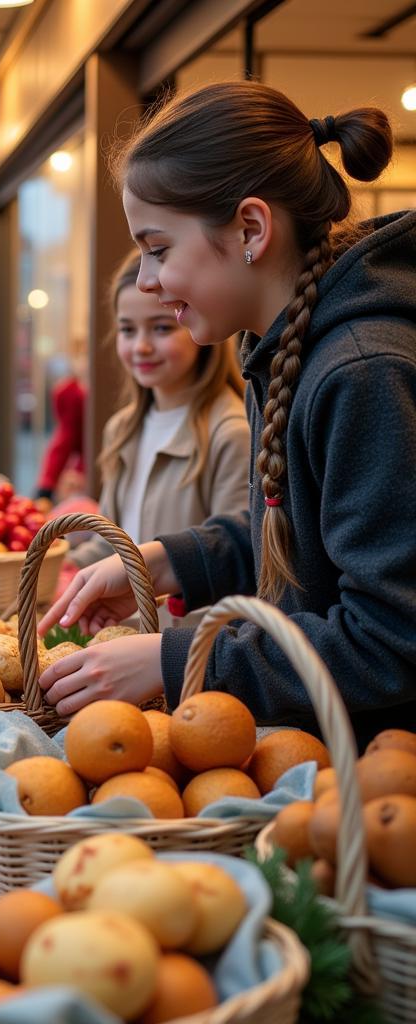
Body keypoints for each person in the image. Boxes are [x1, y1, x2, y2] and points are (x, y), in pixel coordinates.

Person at [38, 81, 416, 747]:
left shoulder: (363, 371)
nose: (147, 279)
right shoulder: (277, 345)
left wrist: (175, 658)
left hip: (374, 787)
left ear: (250, 229)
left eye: (158, 248)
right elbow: (298, 530)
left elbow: (390, 642)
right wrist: (168, 560)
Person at [68, 250, 250, 582]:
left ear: (197, 324)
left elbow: (233, 563)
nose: (141, 346)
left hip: (181, 634)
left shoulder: (230, 433)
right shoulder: (122, 428)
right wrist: (54, 565)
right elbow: (111, 544)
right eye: (127, 330)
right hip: (122, 630)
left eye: (162, 328)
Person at [36, 374, 88, 503]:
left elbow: (64, 440)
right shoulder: (72, 393)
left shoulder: (72, 393)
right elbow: (65, 441)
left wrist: (47, 484)